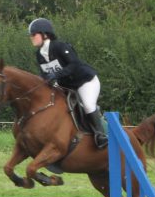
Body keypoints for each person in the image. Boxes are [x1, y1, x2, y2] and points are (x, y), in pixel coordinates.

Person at [28, 17, 107, 148]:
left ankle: (101, 135)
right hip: (67, 86)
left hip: (85, 81)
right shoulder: (39, 54)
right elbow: (44, 74)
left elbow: (74, 64)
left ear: (44, 34)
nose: (31, 37)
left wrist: (56, 75)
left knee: (87, 105)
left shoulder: (60, 47)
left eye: (33, 34)